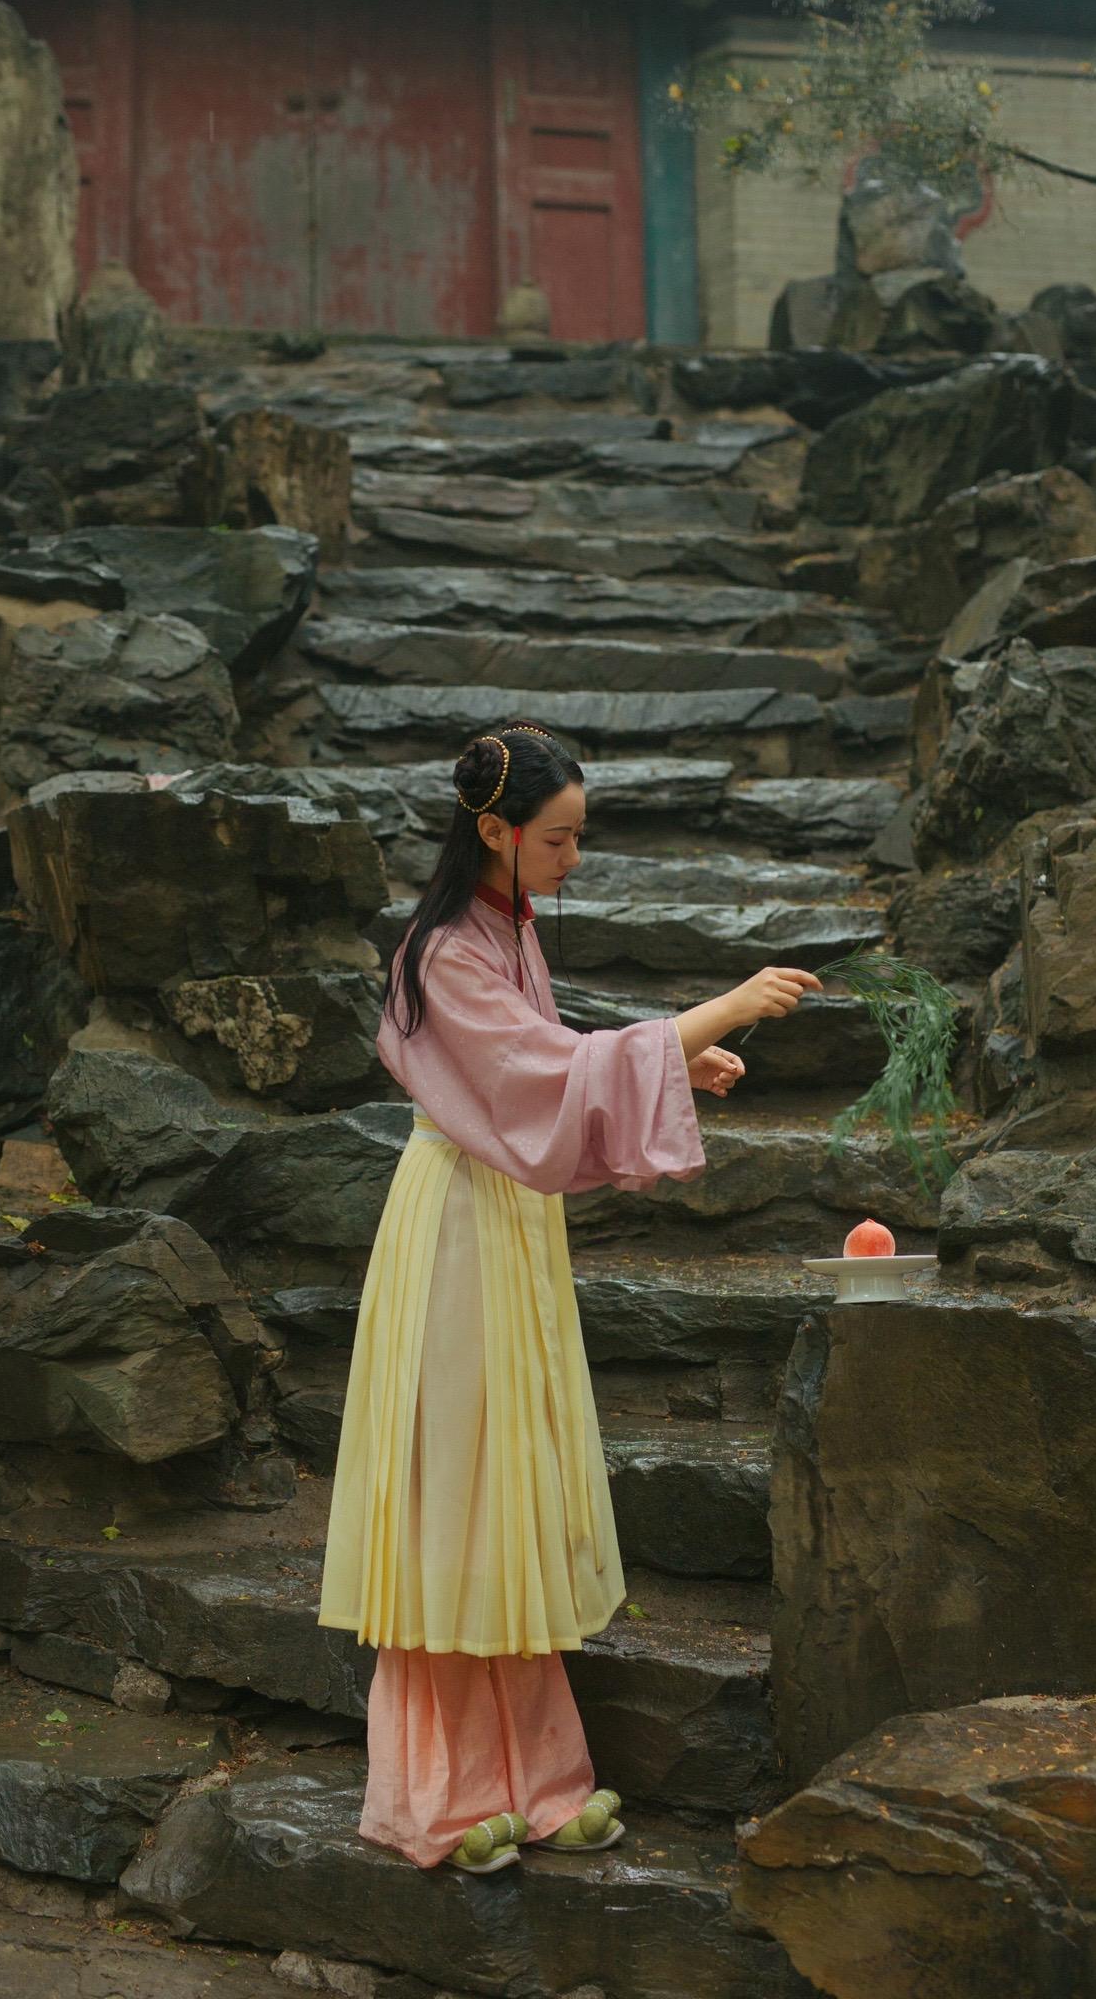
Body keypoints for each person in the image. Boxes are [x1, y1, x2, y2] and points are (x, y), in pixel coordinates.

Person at [316, 721, 820, 1874]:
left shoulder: (507, 928)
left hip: (504, 1221)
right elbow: (540, 1077)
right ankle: (435, 1796)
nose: (572, 857)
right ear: (495, 831)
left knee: (509, 1486)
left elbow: (541, 1062)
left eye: (579, 837)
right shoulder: (441, 950)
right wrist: (718, 1010)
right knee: (456, 1490)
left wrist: (675, 1060)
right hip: (455, 1225)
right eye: (558, 838)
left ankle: (534, 1780)